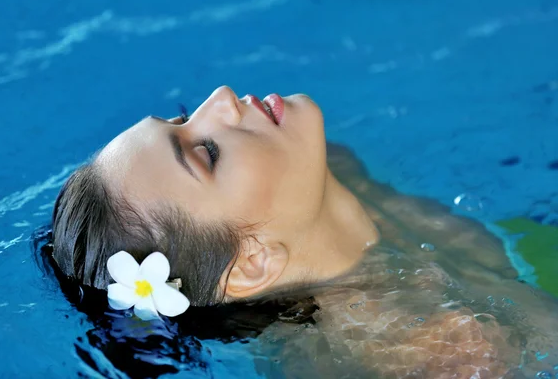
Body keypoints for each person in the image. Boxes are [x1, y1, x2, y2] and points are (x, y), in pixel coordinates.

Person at [50, 86, 558, 378]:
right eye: (207, 152)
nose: (220, 98)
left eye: (182, 117)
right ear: (253, 263)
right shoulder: (436, 351)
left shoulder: (332, 168)